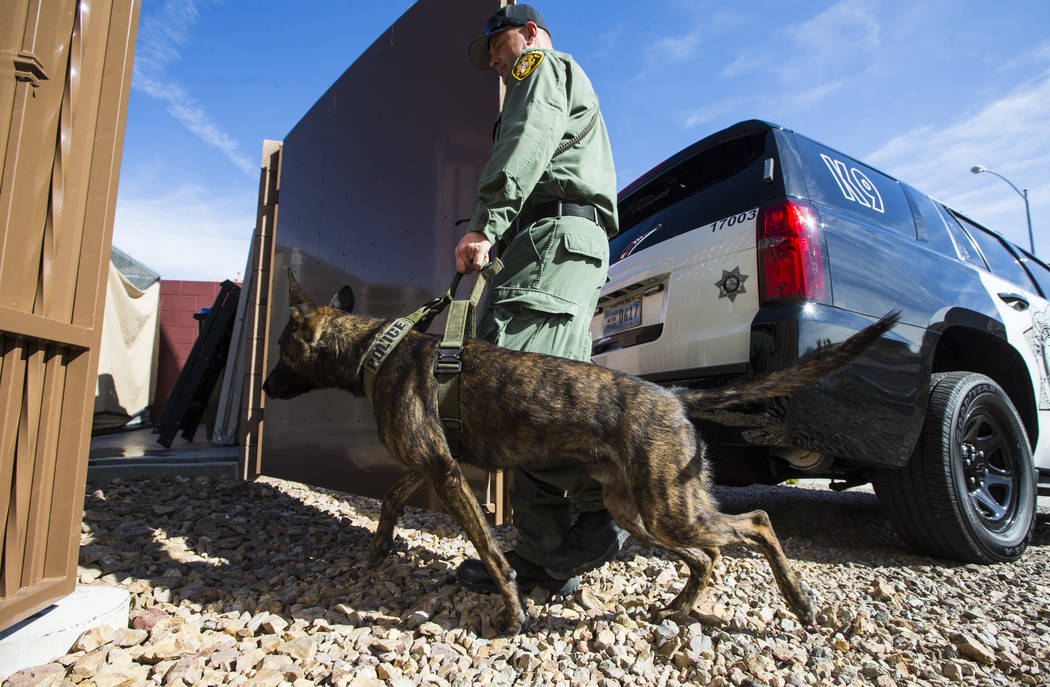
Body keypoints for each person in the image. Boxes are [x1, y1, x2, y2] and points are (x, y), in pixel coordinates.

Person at [454, 4, 626, 596]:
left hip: (550, 237)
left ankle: (609, 504)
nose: (498, 63)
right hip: (547, 241)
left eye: (498, 47)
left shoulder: (540, 67)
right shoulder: (538, 73)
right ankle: (544, 559)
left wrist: (486, 222)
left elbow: (529, 140)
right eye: (494, 58)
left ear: (528, 32)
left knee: (518, 395)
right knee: (534, 395)